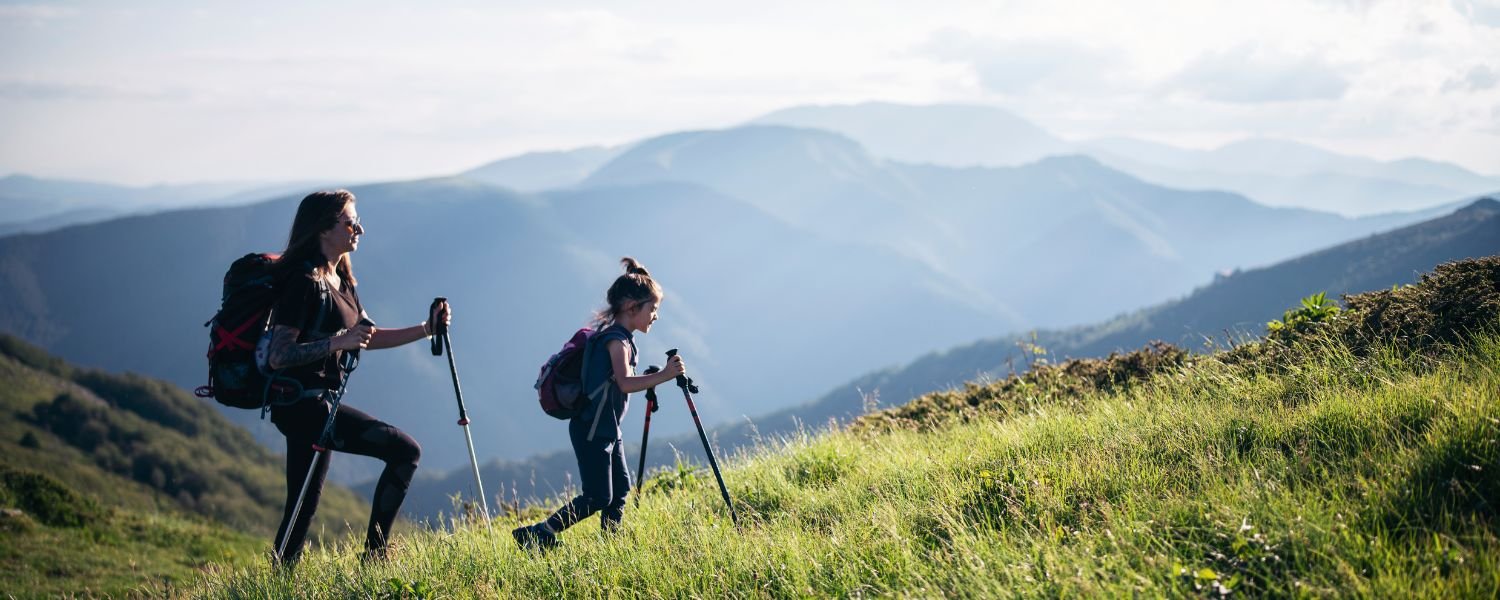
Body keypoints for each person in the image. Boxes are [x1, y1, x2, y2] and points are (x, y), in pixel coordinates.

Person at [265, 189, 450, 565]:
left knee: (303, 504)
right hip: (301, 403)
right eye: (351, 222)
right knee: (405, 451)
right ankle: (375, 558)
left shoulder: (341, 279)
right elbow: (279, 355)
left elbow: (367, 336)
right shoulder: (304, 282)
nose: (359, 229)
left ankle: (278, 578)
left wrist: (426, 329)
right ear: (323, 229)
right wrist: (337, 342)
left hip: (319, 404)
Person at [513, 257, 685, 549]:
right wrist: (666, 376)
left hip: (605, 428)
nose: (655, 316)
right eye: (652, 309)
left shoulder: (621, 338)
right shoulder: (616, 341)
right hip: (592, 430)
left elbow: (618, 380)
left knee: (619, 491)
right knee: (597, 496)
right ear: (632, 307)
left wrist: (650, 378)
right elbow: (624, 383)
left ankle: (610, 546)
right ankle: (540, 533)